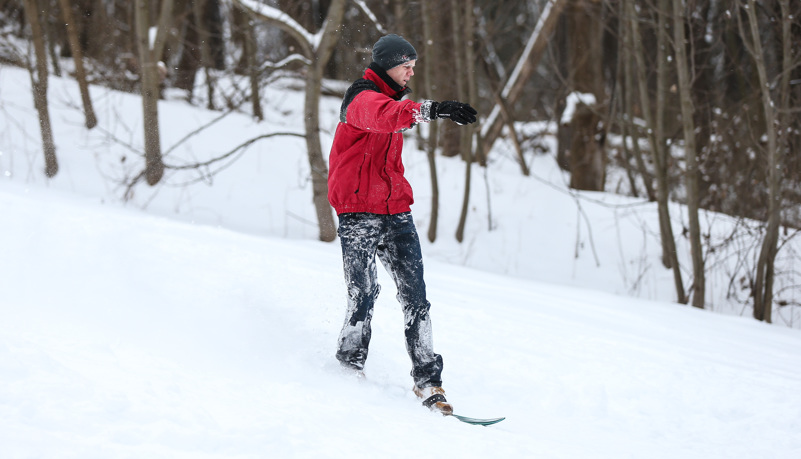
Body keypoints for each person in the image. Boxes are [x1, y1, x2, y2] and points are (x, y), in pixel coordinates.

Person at [327, 34, 477, 415]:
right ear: (386, 65)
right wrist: (434, 109)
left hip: (395, 210)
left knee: (417, 298)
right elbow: (383, 116)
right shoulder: (360, 98)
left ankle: (428, 381)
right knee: (363, 291)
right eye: (405, 65)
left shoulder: (394, 100)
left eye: (414, 65)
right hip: (359, 210)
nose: (411, 72)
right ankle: (349, 365)